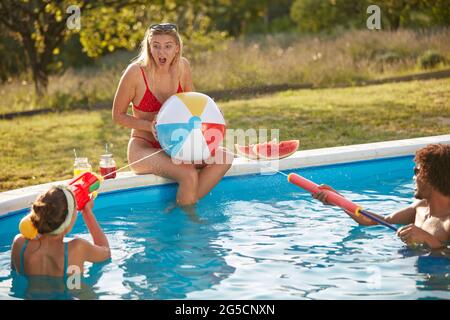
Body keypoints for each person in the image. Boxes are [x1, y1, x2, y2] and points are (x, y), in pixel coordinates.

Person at [112, 23, 232, 207]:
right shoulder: (135, 73)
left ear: (177, 48)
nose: (161, 52)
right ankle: (187, 222)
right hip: (144, 148)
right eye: (156, 45)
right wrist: (148, 126)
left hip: (179, 144)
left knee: (225, 157)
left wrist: (214, 116)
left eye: (168, 46)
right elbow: (118, 115)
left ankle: (182, 206)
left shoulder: (182, 67)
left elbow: (194, 104)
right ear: (148, 46)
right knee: (188, 174)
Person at [313, 144, 450, 250]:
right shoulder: (419, 208)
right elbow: (376, 221)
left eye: (417, 172)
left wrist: (429, 240)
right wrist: (339, 200)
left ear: (431, 177)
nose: (413, 178)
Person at [10, 186, 111, 289]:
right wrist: (87, 212)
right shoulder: (77, 249)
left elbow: (16, 281)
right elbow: (106, 252)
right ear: (69, 220)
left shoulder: (19, 244)